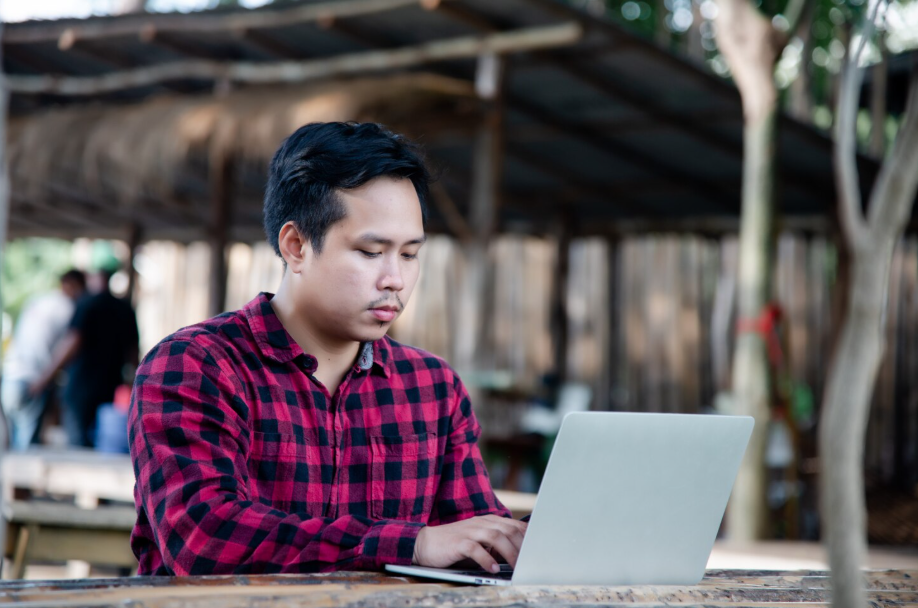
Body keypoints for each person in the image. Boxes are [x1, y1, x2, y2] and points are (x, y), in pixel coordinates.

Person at [130, 122, 526, 576]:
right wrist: (410, 544)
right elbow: (204, 538)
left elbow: (475, 538)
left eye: (409, 254)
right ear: (296, 246)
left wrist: (530, 537)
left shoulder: (433, 387)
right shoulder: (196, 366)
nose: (395, 279)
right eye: (371, 251)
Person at [33, 266, 139, 447]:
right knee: (103, 442)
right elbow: (133, 351)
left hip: (80, 388)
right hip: (109, 386)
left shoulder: (86, 304)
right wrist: (135, 385)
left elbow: (72, 343)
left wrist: (44, 379)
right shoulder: (125, 308)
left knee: (78, 446)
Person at [1, 269, 86, 450]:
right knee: (27, 450)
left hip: (10, 376)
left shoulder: (37, 301)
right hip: (32, 380)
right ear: (73, 285)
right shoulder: (67, 307)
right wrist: (44, 380)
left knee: (11, 447)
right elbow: (69, 345)